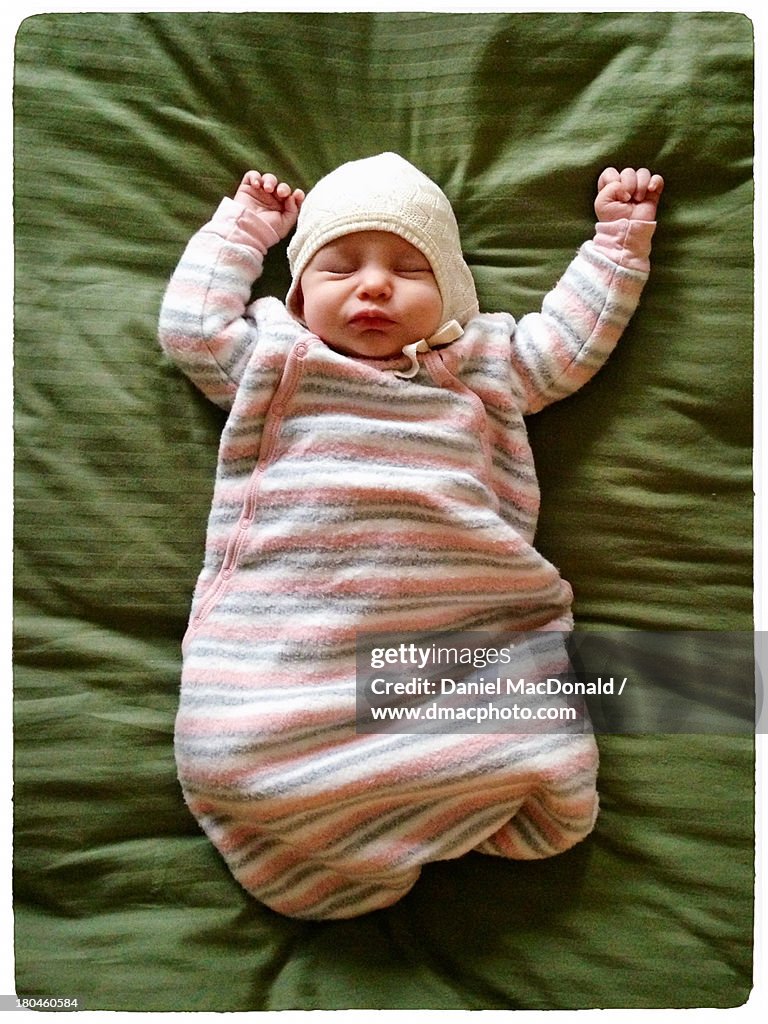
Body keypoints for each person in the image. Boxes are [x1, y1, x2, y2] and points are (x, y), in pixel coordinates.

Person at [158, 152, 663, 919]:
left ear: (452, 291)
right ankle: (323, 807)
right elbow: (191, 330)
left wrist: (617, 243)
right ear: (296, 294)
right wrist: (247, 228)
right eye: (339, 267)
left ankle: (483, 786)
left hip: (455, 616)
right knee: (230, 749)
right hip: (292, 633)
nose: (373, 285)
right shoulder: (276, 358)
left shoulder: (487, 361)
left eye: (407, 267)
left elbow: (571, 340)